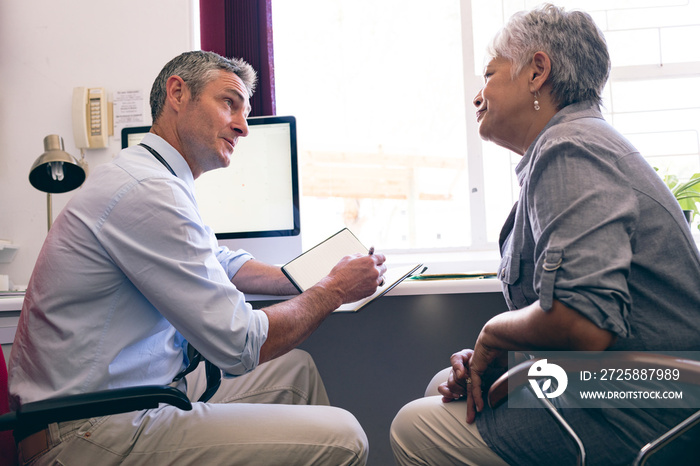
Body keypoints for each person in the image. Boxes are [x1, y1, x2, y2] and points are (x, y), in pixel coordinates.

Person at [9, 50, 387, 465]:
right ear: (177, 93)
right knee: (346, 437)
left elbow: (215, 259)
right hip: (89, 429)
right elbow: (241, 345)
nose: (243, 126)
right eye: (229, 103)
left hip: (126, 400)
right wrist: (333, 289)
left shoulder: (151, 175)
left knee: (296, 372)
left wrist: (299, 275)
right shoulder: (146, 190)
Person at [390, 4, 700, 465]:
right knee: (443, 384)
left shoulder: (569, 147)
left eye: (490, 74)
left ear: (537, 72)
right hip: (634, 386)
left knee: (412, 426)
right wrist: (508, 353)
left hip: (642, 406)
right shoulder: (579, 143)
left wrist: (495, 334)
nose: (478, 96)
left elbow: (583, 324)